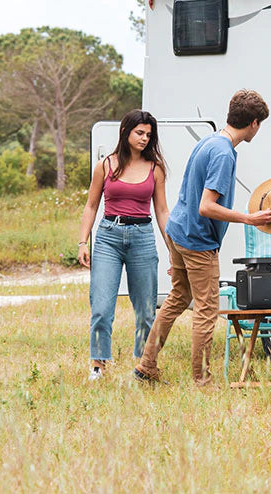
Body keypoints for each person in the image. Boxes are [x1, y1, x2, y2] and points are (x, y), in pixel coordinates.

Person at [134, 89, 271, 386]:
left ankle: (147, 365)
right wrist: (248, 218)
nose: (258, 129)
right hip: (197, 241)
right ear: (253, 123)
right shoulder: (223, 153)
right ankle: (202, 382)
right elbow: (207, 206)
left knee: (177, 298)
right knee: (206, 311)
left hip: (178, 230)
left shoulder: (209, 141)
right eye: (259, 124)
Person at [78, 109, 168, 381]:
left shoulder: (155, 169)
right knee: (102, 307)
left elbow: (162, 211)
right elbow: (91, 205)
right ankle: (98, 364)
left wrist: (174, 251)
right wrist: (83, 241)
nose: (144, 138)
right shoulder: (105, 165)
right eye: (139, 133)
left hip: (142, 236)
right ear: (126, 132)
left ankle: (144, 366)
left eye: (148, 135)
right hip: (108, 236)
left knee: (145, 309)